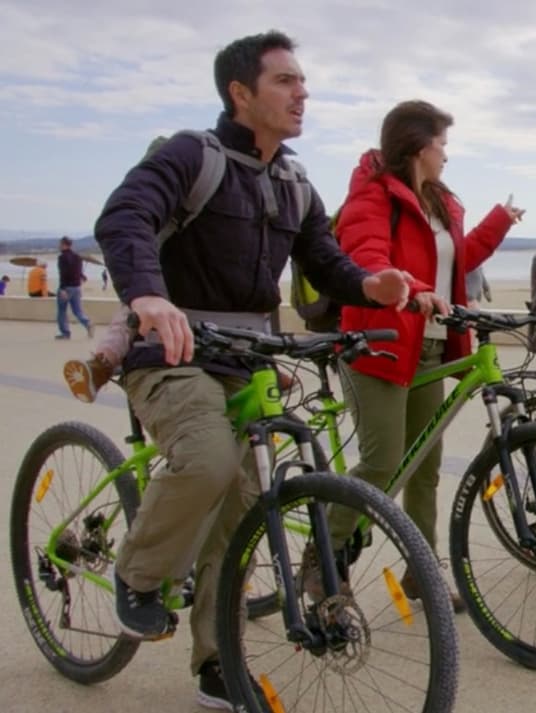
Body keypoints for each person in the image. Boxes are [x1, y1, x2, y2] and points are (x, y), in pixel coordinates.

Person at [94, 31, 412, 709]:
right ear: (241, 94)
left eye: (303, 80)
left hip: (248, 358)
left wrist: (369, 285)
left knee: (241, 508)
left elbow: (323, 261)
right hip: (173, 352)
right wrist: (148, 294)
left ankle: (217, 658)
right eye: (285, 81)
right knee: (208, 461)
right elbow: (125, 216)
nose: (303, 92)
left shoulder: (294, 179)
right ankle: (139, 576)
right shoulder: (192, 155)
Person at [312, 100, 522, 612]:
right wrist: (410, 287)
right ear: (418, 144)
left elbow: (455, 263)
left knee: (425, 466)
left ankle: (419, 571)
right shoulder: (373, 196)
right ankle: (322, 561)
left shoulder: (440, 202)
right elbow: (365, 257)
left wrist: (498, 223)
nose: (447, 153)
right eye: (443, 143)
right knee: (382, 462)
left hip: (429, 346)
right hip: (379, 342)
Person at [55, 236, 94, 339]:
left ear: (64, 244)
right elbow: (78, 271)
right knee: (77, 310)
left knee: (62, 311)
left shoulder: (62, 257)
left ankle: (65, 333)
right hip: (76, 287)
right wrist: (82, 277)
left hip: (66, 287)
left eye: (60, 244)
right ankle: (87, 323)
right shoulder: (77, 256)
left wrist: (62, 288)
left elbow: (63, 273)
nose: (58, 246)